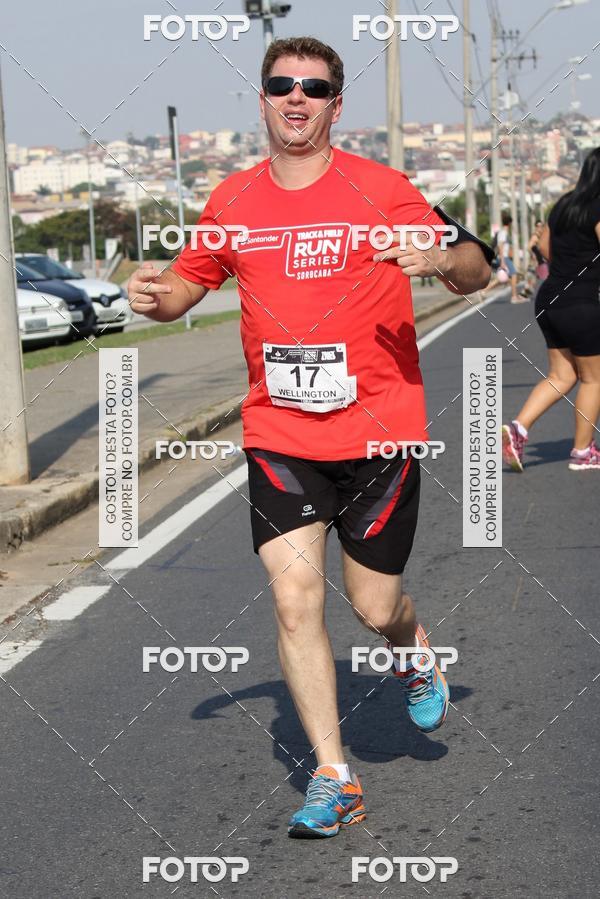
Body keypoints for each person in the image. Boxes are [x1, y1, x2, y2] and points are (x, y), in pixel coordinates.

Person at [128, 37, 491, 838]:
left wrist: (438, 257)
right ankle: (336, 774)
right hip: (280, 434)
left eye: (314, 86)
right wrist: (153, 298)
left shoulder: (381, 186)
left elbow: (478, 267)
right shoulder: (231, 200)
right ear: (261, 99)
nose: (297, 97)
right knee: (294, 600)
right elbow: (187, 287)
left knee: (373, 602)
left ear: (335, 102)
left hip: (379, 432)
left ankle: (411, 644)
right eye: (281, 85)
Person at [502, 147, 600, 472]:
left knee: (561, 376)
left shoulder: (564, 206)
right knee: (593, 379)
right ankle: (583, 451)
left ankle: (518, 429)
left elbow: (544, 249)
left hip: (551, 297)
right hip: (583, 302)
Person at [496, 211, 528, 303]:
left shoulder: (504, 232)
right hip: (504, 258)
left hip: (505, 257)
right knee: (513, 275)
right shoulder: (503, 233)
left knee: (510, 277)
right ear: (510, 223)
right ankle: (514, 297)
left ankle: (515, 295)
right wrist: (502, 261)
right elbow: (500, 246)